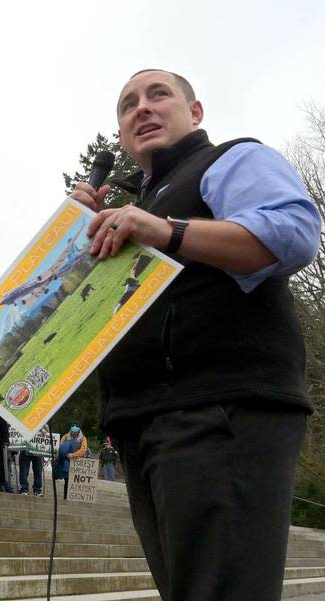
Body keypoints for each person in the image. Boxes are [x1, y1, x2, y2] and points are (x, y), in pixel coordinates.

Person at [70, 69, 321, 601]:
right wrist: (75, 242)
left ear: (196, 112)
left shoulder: (232, 159)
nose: (142, 108)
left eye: (158, 95)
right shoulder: (133, 206)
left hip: (219, 410)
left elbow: (292, 233)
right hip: (145, 422)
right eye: (128, 104)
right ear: (120, 134)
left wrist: (166, 230)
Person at [55, 423, 89, 499]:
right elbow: (61, 446)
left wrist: (73, 455)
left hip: (77, 462)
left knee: (75, 481)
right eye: (73, 427)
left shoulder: (83, 439)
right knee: (67, 480)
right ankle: (65, 497)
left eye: (76, 427)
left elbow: (83, 449)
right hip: (66, 461)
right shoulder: (65, 436)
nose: (74, 429)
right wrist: (66, 454)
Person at [18, 426, 47, 496]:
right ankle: (24, 488)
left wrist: (44, 431)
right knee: (24, 470)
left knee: (38, 471)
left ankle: (37, 490)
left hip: (37, 449)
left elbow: (46, 430)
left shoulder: (42, 422)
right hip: (25, 448)